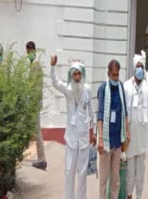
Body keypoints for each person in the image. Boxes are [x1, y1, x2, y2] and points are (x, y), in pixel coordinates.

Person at [50, 55, 96, 199]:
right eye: (74, 74)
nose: (76, 76)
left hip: (83, 140)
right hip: (70, 138)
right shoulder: (67, 89)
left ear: (82, 75)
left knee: (82, 174)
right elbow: (55, 82)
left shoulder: (87, 90)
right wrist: (52, 66)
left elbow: (92, 111)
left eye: (78, 74)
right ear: (71, 75)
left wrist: (94, 132)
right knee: (69, 171)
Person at [124, 30, 148, 199]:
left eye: (141, 67)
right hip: (130, 136)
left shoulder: (146, 83)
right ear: (133, 68)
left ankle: (139, 195)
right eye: (138, 67)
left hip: (142, 135)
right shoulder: (126, 86)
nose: (140, 70)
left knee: (141, 170)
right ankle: (129, 195)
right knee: (130, 169)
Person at [97, 59, 130, 199]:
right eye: (113, 75)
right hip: (106, 140)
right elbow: (100, 116)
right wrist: (100, 139)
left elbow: (125, 112)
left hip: (117, 140)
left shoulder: (121, 87)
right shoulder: (103, 89)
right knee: (104, 179)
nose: (116, 78)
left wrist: (127, 131)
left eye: (117, 75)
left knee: (116, 179)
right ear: (108, 74)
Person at [26, 41, 47, 170]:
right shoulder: (33, 65)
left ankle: (42, 159)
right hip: (34, 103)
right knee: (34, 130)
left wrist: (32, 104)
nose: (29, 54)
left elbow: (34, 88)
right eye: (28, 52)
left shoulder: (35, 66)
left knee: (37, 131)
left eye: (30, 52)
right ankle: (40, 158)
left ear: (34, 51)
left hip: (34, 104)